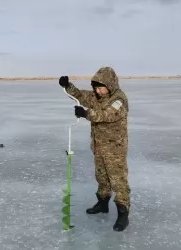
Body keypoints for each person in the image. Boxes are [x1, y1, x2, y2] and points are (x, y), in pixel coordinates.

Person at [59, 66, 131, 232]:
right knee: (101, 176)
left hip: (115, 148)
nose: (97, 91)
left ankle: (123, 213)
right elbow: (82, 96)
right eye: (96, 87)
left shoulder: (119, 99)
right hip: (99, 145)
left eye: (101, 87)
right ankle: (103, 203)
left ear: (110, 84)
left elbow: (107, 114)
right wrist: (67, 86)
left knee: (118, 180)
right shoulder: (97, 96)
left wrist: (86, 114)